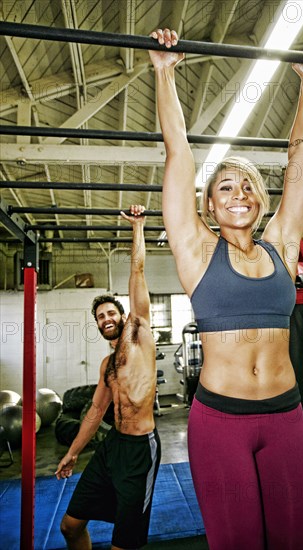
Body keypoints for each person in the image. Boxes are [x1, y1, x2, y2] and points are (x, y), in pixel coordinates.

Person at [149, 29, 303, 550]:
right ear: (209, 206)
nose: (239, 192)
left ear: (260, 200)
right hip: (220, 423)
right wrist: (164, 72)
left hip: (287, 418)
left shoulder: (281, 248)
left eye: (248, 184)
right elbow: (178, 156)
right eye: (225, 186)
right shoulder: (197, 250)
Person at [55, 205, 161, 550]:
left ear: (123, 313)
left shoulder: (139, 335)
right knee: (69, 526)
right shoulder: (106, 365)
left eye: (110, 312)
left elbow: (138, 270)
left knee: (123, 545)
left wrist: (138, 228)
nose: (106, 319)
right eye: (100, 317)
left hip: (139, 450)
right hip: (111, 446)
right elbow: (94, 412)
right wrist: (72, 452)